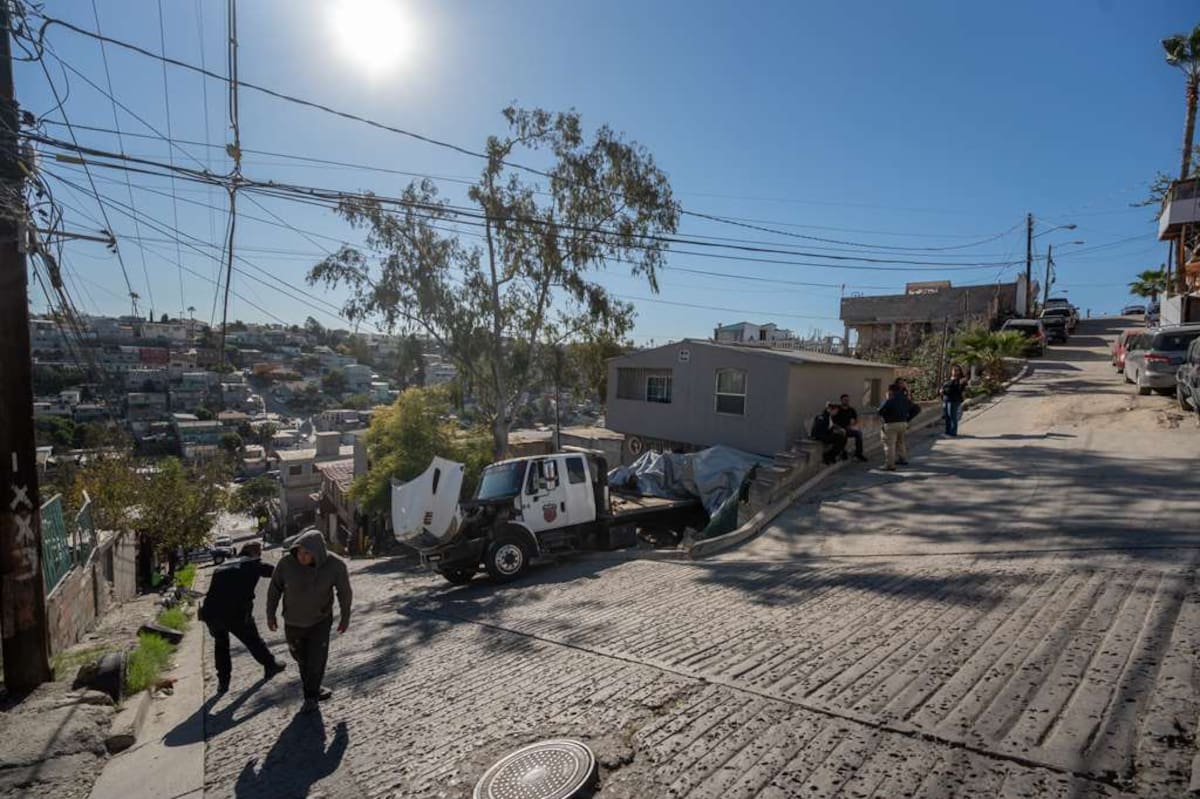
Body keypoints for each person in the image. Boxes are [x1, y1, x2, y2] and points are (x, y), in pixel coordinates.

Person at [267, 529, 353, 713]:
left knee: (316, 659)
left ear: (318, 552)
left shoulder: (335, 565)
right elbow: (275, 589)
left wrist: (345, 617)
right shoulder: (286, 564)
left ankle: (310, 697)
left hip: (319, 621)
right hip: (293, 622)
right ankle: (314, 688)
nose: (302, 556)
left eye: (307, 553)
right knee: (302, 659)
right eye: (299, 551)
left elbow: (344, 592)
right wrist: (270, 614)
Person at [199, 542, 285, 695]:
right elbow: (275, 572)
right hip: (235, 613)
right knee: (253, 640)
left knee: (221, 646)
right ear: (253, 553)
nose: (260, 556)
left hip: (212, 613)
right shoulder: (252, 564)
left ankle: (223, 682)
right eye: (259, 553)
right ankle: (270, 664)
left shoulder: (225, 564)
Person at [877, 384, 917, 471]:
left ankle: (890, 465)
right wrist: (908, 419)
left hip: (891, 424)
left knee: (889, 445)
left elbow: (880, 411)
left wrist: (885, 414)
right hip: (903, 423)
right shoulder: (905, 399)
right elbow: (917, 409)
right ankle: (902, 458)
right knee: (900, 441)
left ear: (891, 391)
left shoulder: (890, 400)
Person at [811, 401, 848, 465]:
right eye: (835, 411)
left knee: (842, 437)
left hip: (822, 434)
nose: (836, 413)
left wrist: (838, 430)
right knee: (840, 438)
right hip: (820, 436)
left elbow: (831, 426)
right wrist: (834, 431)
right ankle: (829, 455)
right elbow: (822, 428)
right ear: (831, 410)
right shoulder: (825, 416)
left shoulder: (827, 416)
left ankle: (834, 454)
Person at [833, 394, 867, 462]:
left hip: (848, 428)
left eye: (847, 400)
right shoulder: (837, 409)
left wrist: (853, 423)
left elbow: (856, 420)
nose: (846, 401)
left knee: (858, 433)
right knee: (843, 434)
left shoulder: (851, 410)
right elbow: (832, 421)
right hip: (838, 429)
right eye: (845, 400)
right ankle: (842, 452)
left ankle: (858, 454)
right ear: (841, 401)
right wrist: (838, 427)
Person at [940, 364, 969, 437]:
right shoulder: (949, 379)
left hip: (954, 400)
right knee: (947, 416)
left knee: (952, 416)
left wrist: (944, 391)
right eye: (954, 370)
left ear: (959, 371)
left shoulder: (960, 380)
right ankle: (947, 432)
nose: (955, 372)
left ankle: (953, 433)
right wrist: (941, 391)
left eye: (956, 370)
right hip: (946, 399)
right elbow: (944, 386)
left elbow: (955, 390)